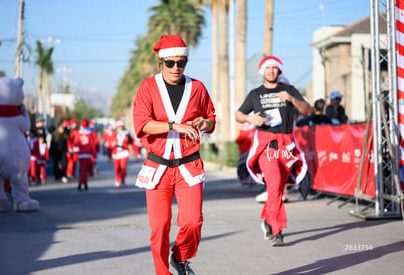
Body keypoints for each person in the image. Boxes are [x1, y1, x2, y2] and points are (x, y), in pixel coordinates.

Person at [133, 34, 216, 275]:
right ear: (161, 63)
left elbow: (212, 119)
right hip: (157, 168)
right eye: (170, 63)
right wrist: (172, 125)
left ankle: (180, 257)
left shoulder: (197, 87)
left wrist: (205, 123)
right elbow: (142, 124)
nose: (176, 67)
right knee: (159, 227)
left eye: (181, 62)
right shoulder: (148, 87)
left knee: (193, 221)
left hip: (188, 167)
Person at [235, 55, 312, 247]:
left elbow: (308, 110)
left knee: (276, 188)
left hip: (286, 144)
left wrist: (292, 99)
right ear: (262, 71)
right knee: (276, 182)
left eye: (274, 68)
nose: (271, 71)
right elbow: (238, 114)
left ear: (279, 70)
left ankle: (267, 220)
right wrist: (250, 119)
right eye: (267, 68)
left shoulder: (289, 90)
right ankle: (278, 230)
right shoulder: (255, 94)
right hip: (267, 145)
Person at [73, 118, 96, 191]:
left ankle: (85, 184)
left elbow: (76, 143)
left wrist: (75, 153)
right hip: (87, 153)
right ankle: (80, 184)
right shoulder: (89, 134)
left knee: (83, 169)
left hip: (80, 154)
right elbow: (92, 145)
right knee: (84, 170)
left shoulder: (78, 133)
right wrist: (94, 154)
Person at [111, 119, 130, 188]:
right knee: (117, 168)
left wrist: (134, 152)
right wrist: (112, 144)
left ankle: (122, 180)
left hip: (124, 152)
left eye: (121, 126)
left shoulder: (127, 133)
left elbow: (131, 142)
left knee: (123, 168)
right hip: (116, 153)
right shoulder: (114, 133)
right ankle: (117, 180)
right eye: (119, 126)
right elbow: (109, 143)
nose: (120, 127)